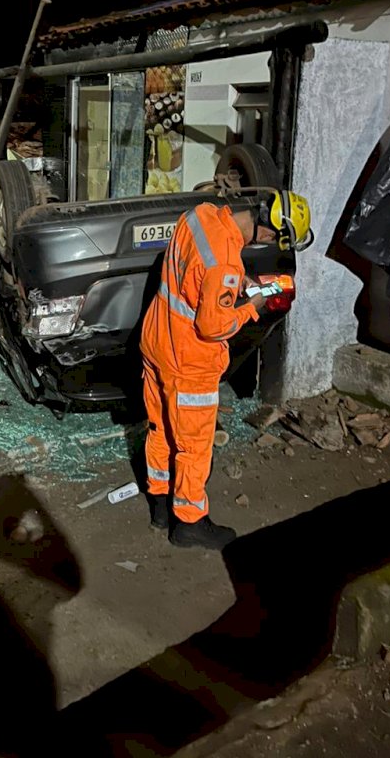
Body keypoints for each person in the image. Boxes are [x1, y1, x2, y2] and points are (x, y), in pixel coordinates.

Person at [140, 190, 313, 550]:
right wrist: (252, 307)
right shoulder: (225, 265)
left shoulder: (199, 215)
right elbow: (212, 326)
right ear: (268, 233)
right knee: (194, 446)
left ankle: (159, 504)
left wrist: (239, 282)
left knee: (160, 427)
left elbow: (195, 271)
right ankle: (189, 522)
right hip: (190, 360)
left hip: (157, 339)